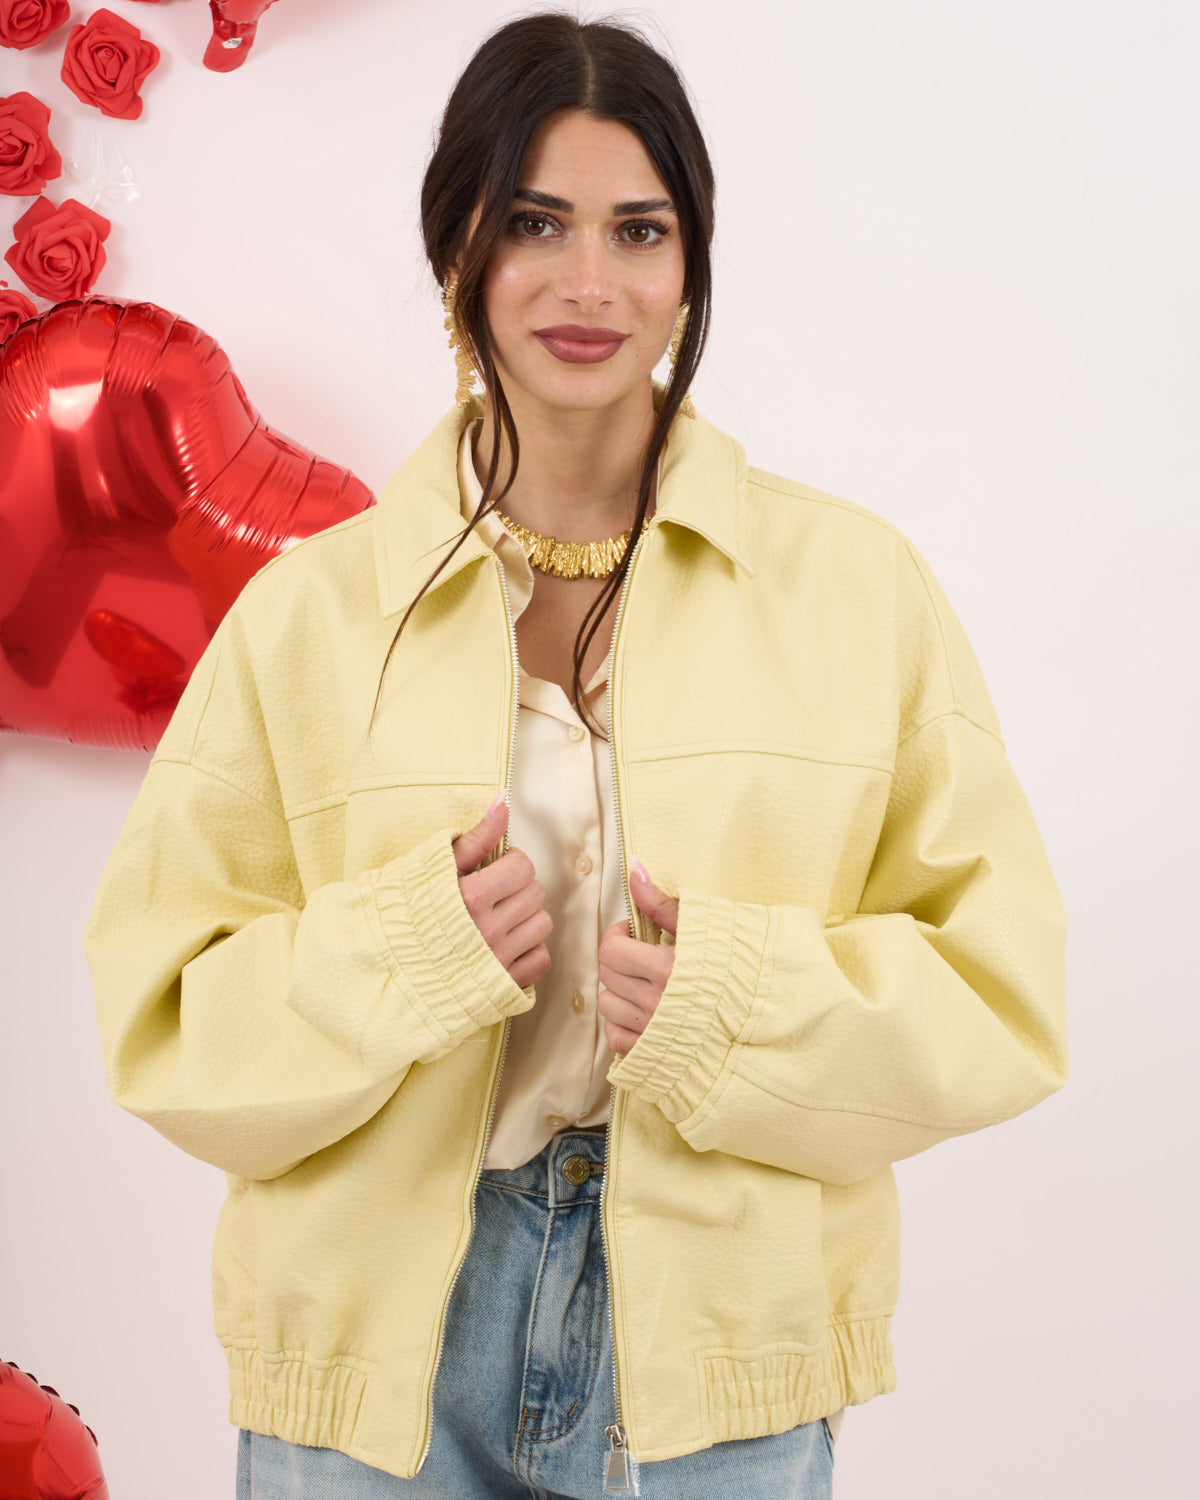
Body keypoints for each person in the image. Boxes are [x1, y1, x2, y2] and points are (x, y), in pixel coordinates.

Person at [81, 10, 1069, 1499]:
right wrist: (401, 957)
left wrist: (739, 1004)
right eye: (534, 222)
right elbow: (161, 1018)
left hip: (720, 1344)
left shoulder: (856, 591)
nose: (589, 282)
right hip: (370, 1362)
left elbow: (1002, 993)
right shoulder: (312, 614)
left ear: (692, 265)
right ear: (457, 245)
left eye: (639, 230)